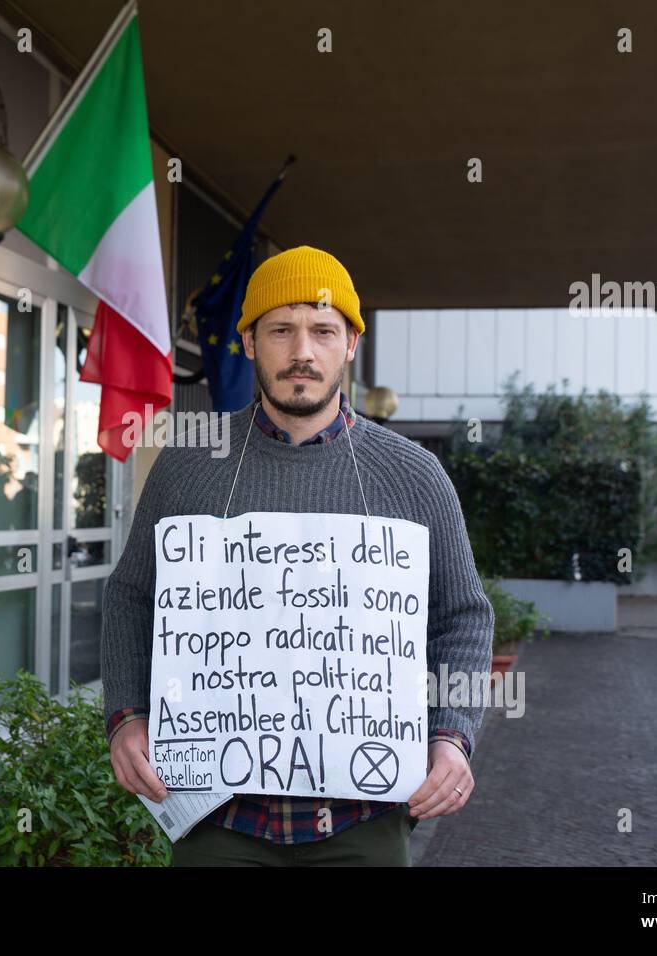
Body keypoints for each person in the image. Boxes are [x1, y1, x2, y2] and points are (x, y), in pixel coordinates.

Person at [102, 245, 494, 866]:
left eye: (323, 330)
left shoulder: (415, 475)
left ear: (350, 345)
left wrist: (452, 737)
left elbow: (463, 616)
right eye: (281, 329)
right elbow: (131, 596)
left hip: (364, 816)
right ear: (251, 342)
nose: (302, 351)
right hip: (217, 813)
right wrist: (126, 717)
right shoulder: (187, 465)